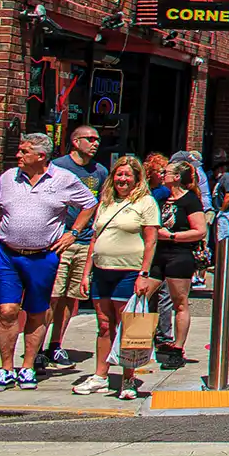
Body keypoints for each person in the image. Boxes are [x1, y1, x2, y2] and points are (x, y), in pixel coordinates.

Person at [0, 133, 97, 390]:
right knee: (7, 311)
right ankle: (6, 369)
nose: (18, 155)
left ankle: (27, 367)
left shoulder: (64, 179)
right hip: (8, 254)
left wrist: (73, 232)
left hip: (42, 257)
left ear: (41, 156)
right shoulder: (9, 178)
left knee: (36, 313)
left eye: (24, 151)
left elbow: (90, 203)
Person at [74, 156, 158, 399]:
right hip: (102, 270)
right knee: (103, 324)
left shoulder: (146, 202)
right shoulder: (106, 202)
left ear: (137, 178)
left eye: (127, 175)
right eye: (119, 174)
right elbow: (94, 239)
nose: (122, 179)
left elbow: (151, 241)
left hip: (129, 271)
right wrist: (86, 273)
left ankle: (128, 378)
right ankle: (100, 376)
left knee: (129, 326)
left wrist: (144, 274)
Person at [44, 124, 108, 369]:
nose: (95, 143)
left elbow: (100, 202)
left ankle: (55, 345)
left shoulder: (99, 171)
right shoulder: (58, 167)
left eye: (97, 139)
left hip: (85, 241)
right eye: (89, 139)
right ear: (75, 141)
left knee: (72, 297)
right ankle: (37, 347)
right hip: (59, 239)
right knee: (53, 295)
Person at [149, 162, 208, 369]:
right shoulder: (160, 197)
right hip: (156, 254)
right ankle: (141, 342)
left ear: (176, 177)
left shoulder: (190, 200)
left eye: (165, 172)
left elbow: (200, 231)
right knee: (143, 295)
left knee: (179, 302)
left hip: (179, 254)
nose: (161, 174)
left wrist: (172, 236)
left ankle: (177, 348)